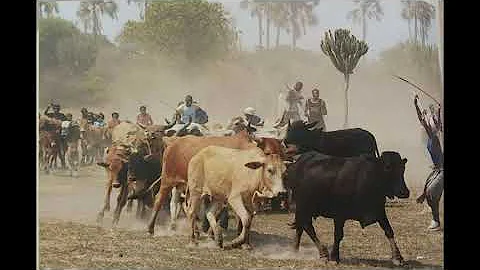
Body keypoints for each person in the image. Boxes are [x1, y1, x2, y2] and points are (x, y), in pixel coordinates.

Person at [414, 95, 444, 231]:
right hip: (439, 169)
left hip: (442, 170)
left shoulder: (437, 136)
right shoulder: (431, 136)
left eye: (430, 122)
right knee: (430, 189)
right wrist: (416, 104)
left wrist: (437, 111)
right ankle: (435, 219)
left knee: (432, 192)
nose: (426, 123)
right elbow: (422, 119)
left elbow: (435, 123)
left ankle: (436, 221)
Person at [414, 95, 443, 168]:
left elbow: (438, 124)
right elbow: (420, 115)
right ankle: (437, 164)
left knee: (434, 146)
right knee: (429, 146)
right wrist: (416, 105)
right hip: (431, 139)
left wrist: (439, 109)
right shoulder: (426, 119)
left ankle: (439, 164)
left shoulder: (433, 119)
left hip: (434, 138)